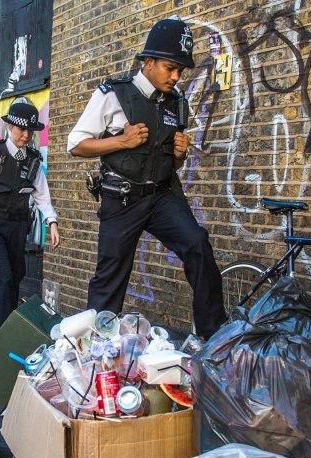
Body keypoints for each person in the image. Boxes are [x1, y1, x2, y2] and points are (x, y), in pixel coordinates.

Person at [67, 17, 226, 339]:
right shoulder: (114, 94)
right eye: (170, 67)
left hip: (162, 195)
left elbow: (173, 164)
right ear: (148, 62)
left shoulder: (176, 103)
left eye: (180, 70)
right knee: (110, 277)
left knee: (197, 245)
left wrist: (179, 154)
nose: (175, 76)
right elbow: (76, 144)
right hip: (122, 197)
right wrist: (121, 142)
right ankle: (95, 351)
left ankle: (215, 336)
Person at [0, 101, 61, 336]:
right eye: (21, 129)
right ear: (10, 127)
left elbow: (42, 196)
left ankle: (4, 336)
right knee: (3, 277)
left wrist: (51, 222)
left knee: (13, 280)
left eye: (30, 131)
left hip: (18, 227)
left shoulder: (33, 160)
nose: (26, 135)